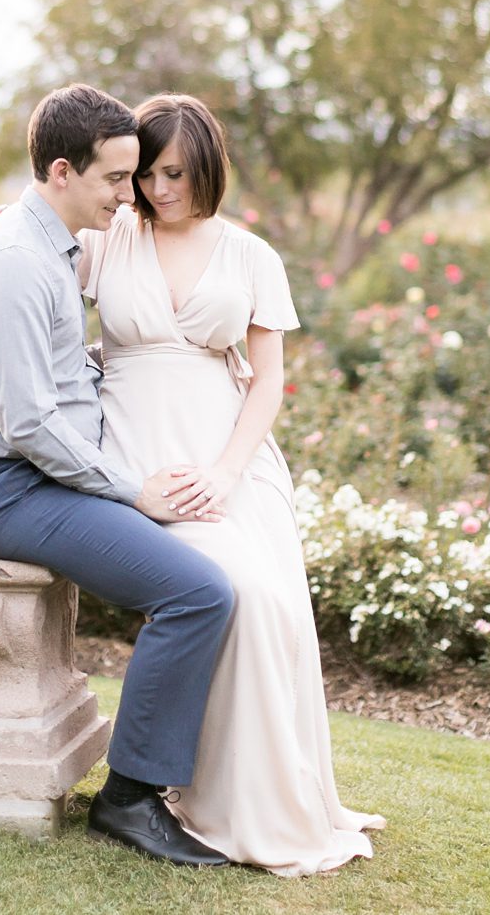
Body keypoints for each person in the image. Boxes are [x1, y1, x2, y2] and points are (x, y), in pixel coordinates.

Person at [76, 90, 382, 875]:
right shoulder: (112, 237)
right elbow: (38, 256)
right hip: (142, 456)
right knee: (228, 589)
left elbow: (268, 381)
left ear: (207, 165)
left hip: (228, 455)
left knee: (271, 600)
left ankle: (255, 798)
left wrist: (227, 470)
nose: (156, 189)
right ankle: (175, 790)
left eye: (174, 173)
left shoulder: (251, 255)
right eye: (146, 174)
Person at [0, 83, 235, 867]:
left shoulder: (52, 246)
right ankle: (130, 798)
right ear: (64, 170)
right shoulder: (14, 259)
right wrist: (129, 487)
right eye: (116, 178)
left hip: (43, 478)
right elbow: (27, 422)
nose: (130, 194)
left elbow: (57, 372)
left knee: (216, 569)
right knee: (199, 592)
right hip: (10, 488)